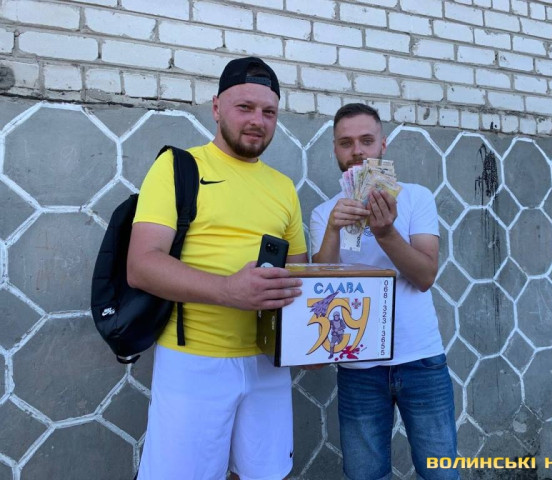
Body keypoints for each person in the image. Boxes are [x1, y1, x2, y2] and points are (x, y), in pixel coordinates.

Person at [128, 56, 308, 480]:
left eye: (269, 112)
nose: (257, 121)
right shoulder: (178, 167)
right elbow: (142, 265)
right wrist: (229, 290)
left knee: (266, 474)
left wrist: (308, 344)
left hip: (268, 363)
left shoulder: (284, 187)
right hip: (194, 361)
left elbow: (300, 277)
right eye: (245, 107)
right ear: (216, 107)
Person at [310, 103, 459, 480]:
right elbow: (320, 292)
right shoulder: (324, 213)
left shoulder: (417, 197)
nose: (357, 151)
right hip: (358, 366)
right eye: (346, 143)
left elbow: (425, 276)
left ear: (383, 145)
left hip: (421, 358)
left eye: (366, 140)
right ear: (334, 149)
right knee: (364, 475)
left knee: (441, 473)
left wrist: (386, 233)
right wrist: (332, 230)